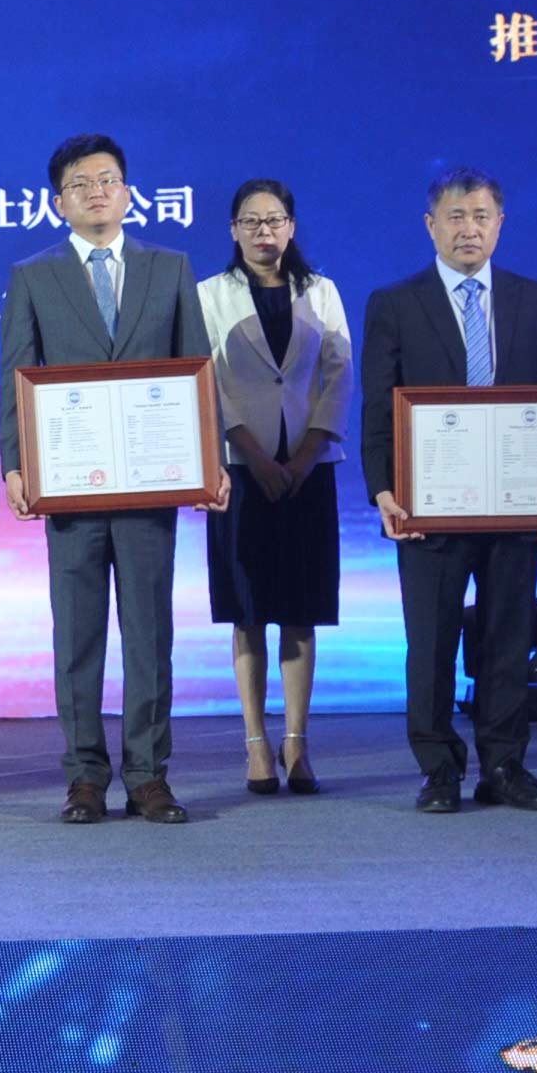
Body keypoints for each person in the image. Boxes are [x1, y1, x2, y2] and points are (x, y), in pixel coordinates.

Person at [358, 167, 537, 815]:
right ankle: (438, 769)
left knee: (508, 637)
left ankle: (504, 766)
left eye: (482, 215)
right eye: (456, 216)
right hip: (428, 506)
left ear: (500, 224)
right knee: (431, 642)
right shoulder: (395, 303)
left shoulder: (532, 299)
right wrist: (382, 489)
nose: (469, 228)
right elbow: (378, 407)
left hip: (516, 501)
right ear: (430, 225)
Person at [0, 135, 218, 826]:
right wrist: (16, 464)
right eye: (81, 183)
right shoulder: (33, 275)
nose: (96, 192)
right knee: (78, 638)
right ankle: (85, 777)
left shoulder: (169, 267)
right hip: (70, 488)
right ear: (58, 201)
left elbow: (196, 369)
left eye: (108, 180)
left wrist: (208, 460)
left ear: (127, 193)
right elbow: (17, 375)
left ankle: (149, 776)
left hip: (150, 485)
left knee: (149, 634)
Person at [197, 179, 351, 796]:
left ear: (291, 226)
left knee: (301, 608)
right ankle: (256, 744)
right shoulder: (209, 295)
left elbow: (339, 372)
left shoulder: (322, 291)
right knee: (248, 611)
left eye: (275, 219)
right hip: (241, 466)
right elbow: (208, 378)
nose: (264, 230)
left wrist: (308, 452)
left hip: (309, 468)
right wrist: (253, 454)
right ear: (233, 230)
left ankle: (297, 742)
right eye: (251, 221)